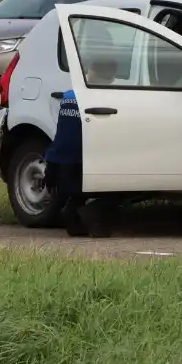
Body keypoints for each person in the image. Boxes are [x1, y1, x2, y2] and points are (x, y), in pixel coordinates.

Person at [44, 54, 121, 238]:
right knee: (122, 186)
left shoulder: (69, 96)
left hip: (58, 164)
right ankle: (92, 213)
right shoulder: (105, 99)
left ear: (89, 71)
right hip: (83, 165)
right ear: (110, 78)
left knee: (77, 189)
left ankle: (73, 213)